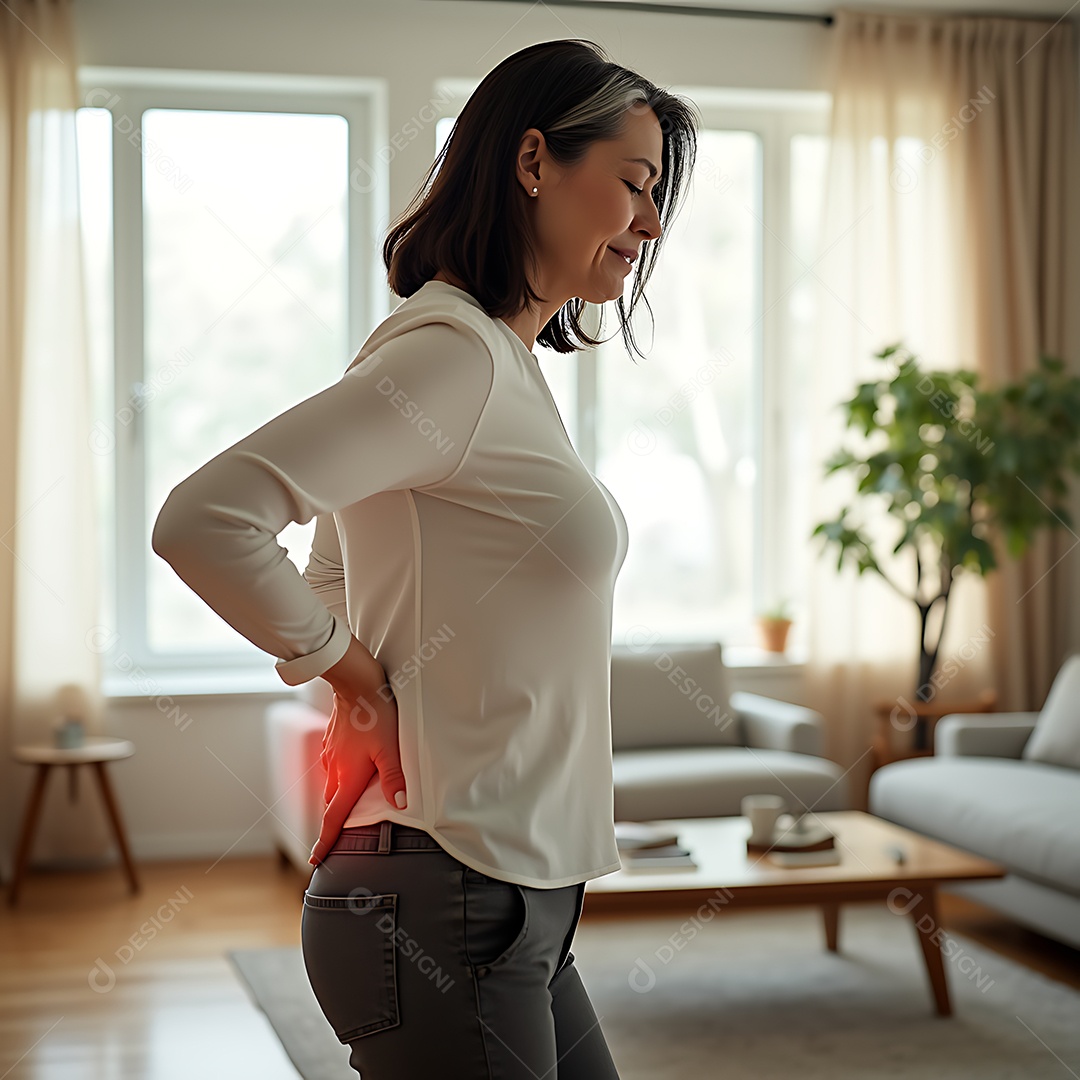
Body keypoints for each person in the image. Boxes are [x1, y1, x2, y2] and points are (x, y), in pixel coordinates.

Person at [152, 36, 698, 1080]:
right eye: (633, 183)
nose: (651, 222)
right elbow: (206, 518)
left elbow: (333, 568)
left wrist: (352, 670)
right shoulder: (451, 357)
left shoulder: (495, 359)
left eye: (657, 194)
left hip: (508, 901)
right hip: (448, 894)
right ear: (533, 161)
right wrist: (355, 680)